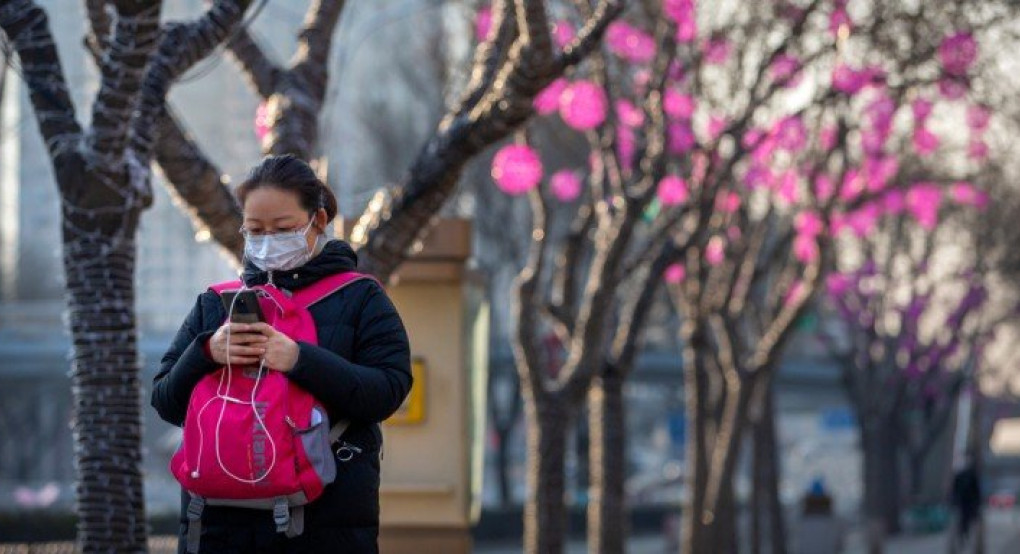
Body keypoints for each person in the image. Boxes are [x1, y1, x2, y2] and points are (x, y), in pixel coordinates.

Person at [152, 154, 412, 553]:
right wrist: (206, 351)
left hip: (324, 526)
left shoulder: (361, 298)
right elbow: (166, 402)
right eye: (255, 230)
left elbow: (388, 391)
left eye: (283, 228)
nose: (268, 241)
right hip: (219, 524)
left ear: (318, 221)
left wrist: (298, 360)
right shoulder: (216, 303)